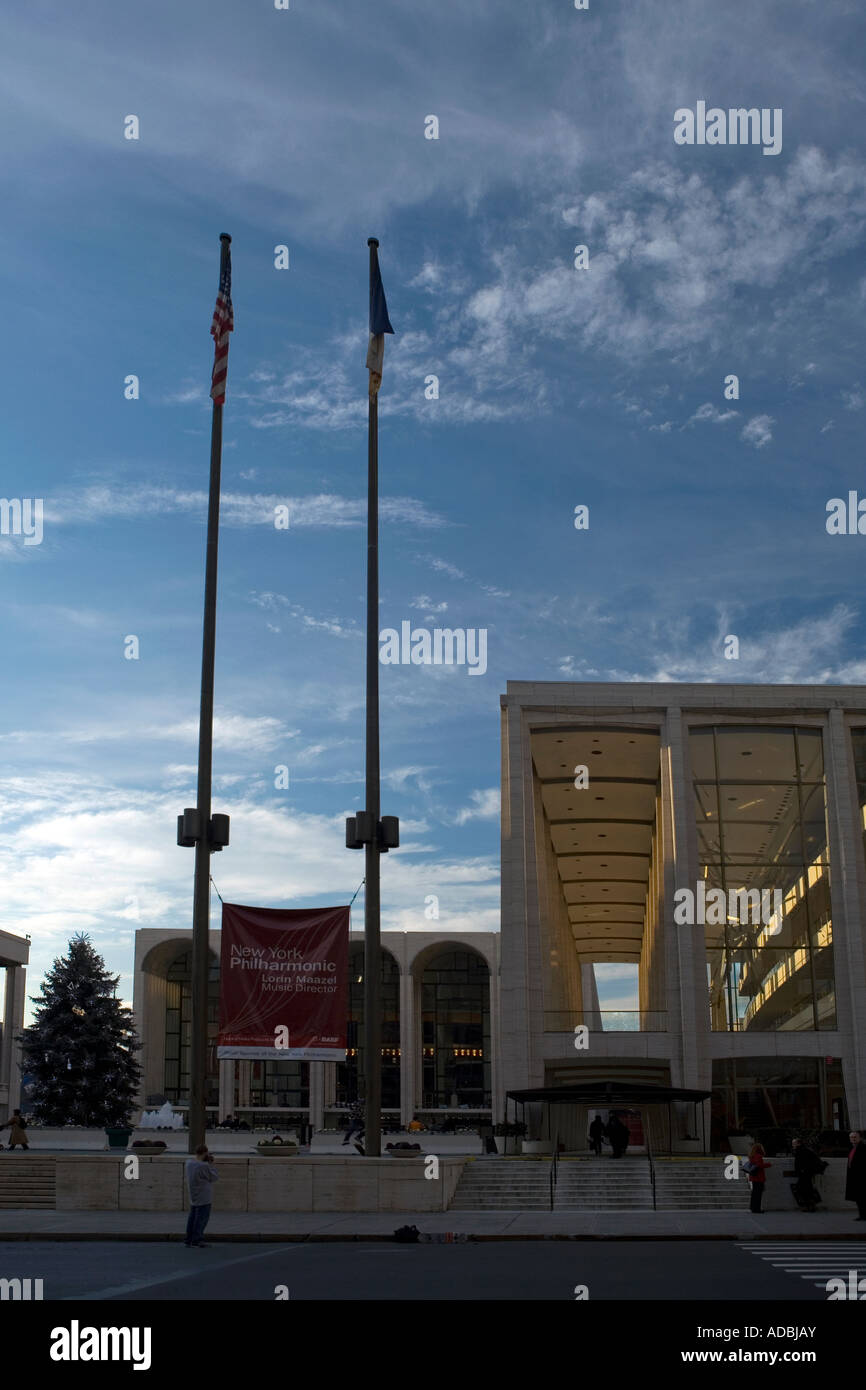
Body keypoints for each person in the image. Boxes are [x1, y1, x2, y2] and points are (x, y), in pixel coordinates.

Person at [184, 1144, 218, 1248]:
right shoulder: (204, 1166)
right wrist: (211, 1163)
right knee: (201, 1219)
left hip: (193, 1195)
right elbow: (214, 1177)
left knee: (192, 1218)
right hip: (204, 1196)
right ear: (205, 1153)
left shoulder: (188, 1163)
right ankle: (197, 1240)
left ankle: (188, 1239)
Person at [791, 1138, 822, 1212]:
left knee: (803, 1188)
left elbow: (802, 1162)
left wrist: (804, 1169)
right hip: (806, 1173)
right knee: (806, 1188)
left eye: (794, 1143)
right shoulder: (804, 1150)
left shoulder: (802, 1150)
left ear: (799, 1143)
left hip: (805, 1173)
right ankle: (810, 1205)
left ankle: (809, 1205)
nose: (793, 1145)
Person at [845, 1130, 866, 1220]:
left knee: (862, 1198)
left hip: (861, 1178)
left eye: (855, 1137)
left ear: (860, 1138)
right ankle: (862, 1215)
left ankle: (863, 1216)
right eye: (851, 1137)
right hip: (855, 1177)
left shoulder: (863, 1148)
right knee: (859, 1198)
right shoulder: (853, 1148)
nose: (853, 1139)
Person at [746, 1142, 771, 1213]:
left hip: (754, 1177)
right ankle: (757, 1209)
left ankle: (753, 1208)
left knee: (754, 1193)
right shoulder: (758, 1156)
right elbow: (759, 1165)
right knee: (758, 1194)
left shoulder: (751, 1155)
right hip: (759, 1177)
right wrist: (768, 1164)